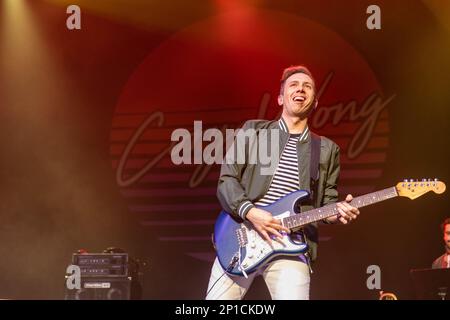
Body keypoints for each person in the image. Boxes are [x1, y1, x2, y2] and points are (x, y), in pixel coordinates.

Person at [205, 65, 360, 300]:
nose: (301, 89)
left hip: (291, 245)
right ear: (280, 98)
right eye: (294, 85)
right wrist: (251, 213)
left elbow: (326, 203)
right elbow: (227, 180)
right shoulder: (253, 131)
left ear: (315, 102)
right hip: (242, 237)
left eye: (307, 86)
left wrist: (338, 213)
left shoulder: (326, 149)